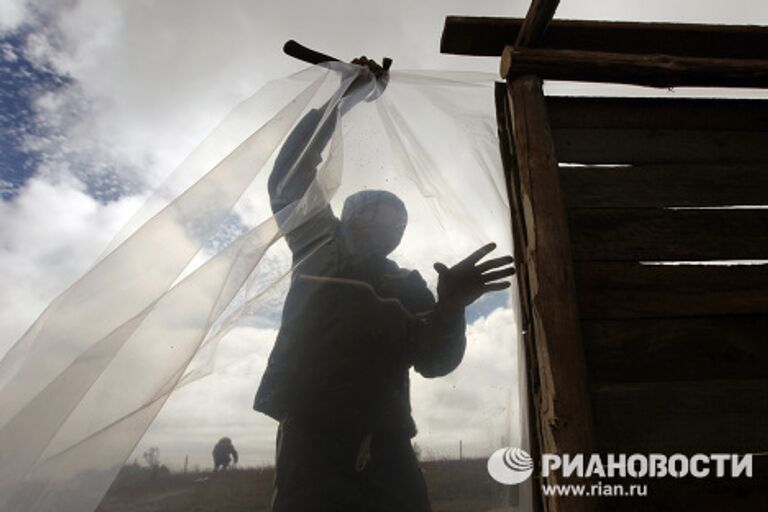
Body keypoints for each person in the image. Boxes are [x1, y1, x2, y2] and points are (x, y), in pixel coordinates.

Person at [254, 57, 514, 512]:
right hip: (312, 437)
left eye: (399, 221)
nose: (391, 225)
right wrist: (342, 98)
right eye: (379, 213)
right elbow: (290, 177)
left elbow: (434, 362)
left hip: (389, 439)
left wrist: (451, 309)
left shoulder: (408, 284)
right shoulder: (321, 248)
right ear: (350, 217)